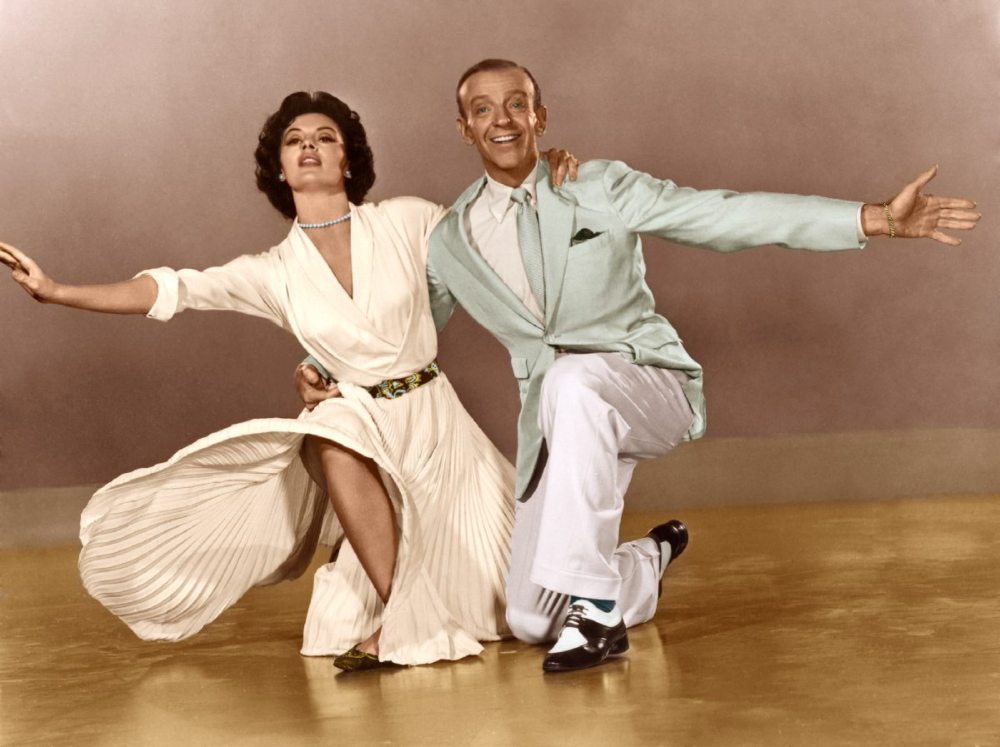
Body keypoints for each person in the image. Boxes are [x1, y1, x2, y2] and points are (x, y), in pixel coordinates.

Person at [295, 58, 981, 673]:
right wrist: (325, 366)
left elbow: (721, 214)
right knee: (530, 619)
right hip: (556, 429)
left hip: (648, 384)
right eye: (483, 108)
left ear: (539, 118)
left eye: (516, 104)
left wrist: (873, 219)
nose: (502, 119)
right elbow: (402, 329)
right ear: (463, 128)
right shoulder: (451, 240)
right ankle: (645, 560)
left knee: (573, 378)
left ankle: (596, 612)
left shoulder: (596, 185)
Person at [1, 91, 578, 671]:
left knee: (534, 601)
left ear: (347, 159)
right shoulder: (271, 272)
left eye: (326, 137)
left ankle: (610, 566)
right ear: (279, 167)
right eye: (295, 140)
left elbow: (491, 229)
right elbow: (174, 289)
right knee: (330, 429)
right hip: (361, 418)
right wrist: (57, 291)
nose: (309, 146)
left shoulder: (408, 219)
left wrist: (541, 175)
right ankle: (405, 615)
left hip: (436, 426)